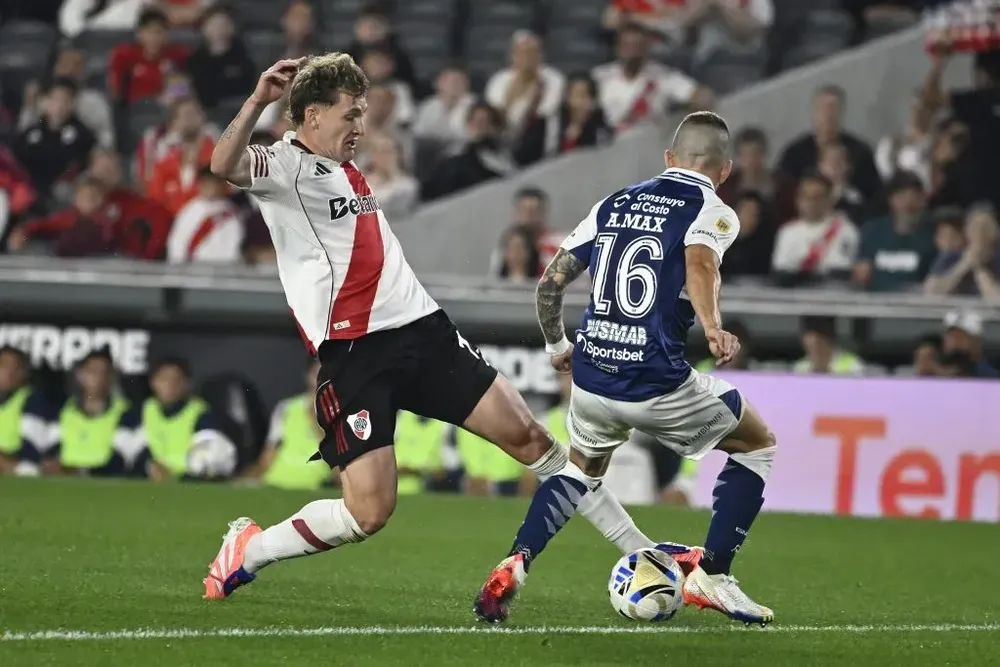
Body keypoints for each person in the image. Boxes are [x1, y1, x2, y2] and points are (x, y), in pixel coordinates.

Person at [202, 53, 660, 601]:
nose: (360, 127)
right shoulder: (282, 167)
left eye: (363, 114)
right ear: (313, 114)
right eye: (350, 115)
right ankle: (249, 551)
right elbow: (222, 164)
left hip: (424, 332)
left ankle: (643, 552)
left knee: (530, 437)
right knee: (369, 512)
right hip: (357, 354)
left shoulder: (347, 166)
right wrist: (257, 101)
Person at [474, 111, 776, 625]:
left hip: (592, 373)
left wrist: (556, 345)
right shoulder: (713, 208)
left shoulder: (613, 202)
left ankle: (516, 562)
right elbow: (701, 263)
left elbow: (549, 283)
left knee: (581, 471)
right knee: (755, 444)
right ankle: (715, 574)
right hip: (653, 379)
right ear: (725, 170)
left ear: (668, 159)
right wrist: (713, 324)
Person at [137, 357, 238, 479]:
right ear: (153, 382)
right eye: (164, 379)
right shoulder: (147, 409)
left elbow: (212, 463)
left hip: (190, 486)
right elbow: (137, 451)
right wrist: (150, 465)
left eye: (176, 380)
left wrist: (177, 476)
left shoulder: (201, 415)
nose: (170, 385)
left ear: (187, 384)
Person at [243, 359, 335, 491]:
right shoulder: (286, 408)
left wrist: (315, 421)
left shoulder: (341, 412)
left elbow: (338, 459)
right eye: (316, 373)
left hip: (313, 486)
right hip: (274, 482)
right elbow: (267, 457)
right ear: (307, 376)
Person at [852, 171, 935, 292]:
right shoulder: (873, 231)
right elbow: (861, 269)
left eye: (915, 199)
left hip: (917, 303)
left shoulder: (932, 235)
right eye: (902, 198)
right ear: (891, 200)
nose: (908, 204)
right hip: (874, 302)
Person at [771, 170, 859, 283]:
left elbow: (839, 272)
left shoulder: (845, 230)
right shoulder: (786, 232)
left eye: (817, 197)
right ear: (797, 200)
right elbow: (781, 272)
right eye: (805, 197)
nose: (811, 203)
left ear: (829, 200)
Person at [167, 167, 243, 263]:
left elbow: (233, 248)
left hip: (219, 272)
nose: (209, 187)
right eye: (205, 183)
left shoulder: (230, 214)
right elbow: (177, 242)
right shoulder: (189, 209)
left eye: (213, 183)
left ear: (223, 185)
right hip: (188, 272)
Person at [0, 346, 53, 475]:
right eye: (3, 365)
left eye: (15, 367)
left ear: (24, 373)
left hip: (16, 471)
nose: (9, 372)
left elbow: (31, 457)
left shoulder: (32, 401)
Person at [792, 316, 864, 375]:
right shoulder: (800, 367)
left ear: (830, 337)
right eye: (809, 334)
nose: (814, 339)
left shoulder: (853, 365)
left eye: (819, 334)